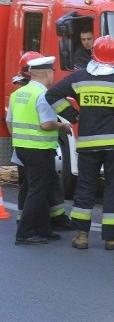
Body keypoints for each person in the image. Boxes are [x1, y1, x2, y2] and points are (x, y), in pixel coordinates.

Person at [45, 36, 114, 251]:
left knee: (85, 186)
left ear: (94, 55)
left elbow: (52, 94)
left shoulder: (80, 77)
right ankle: (112, 238)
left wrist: (73, 116)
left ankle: (82, 236)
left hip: (88, 143)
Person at [7, 55, 74, 245]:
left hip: (22, 148)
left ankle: (44, 230)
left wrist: (19, 139)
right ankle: (25, 233)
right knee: (37, 191)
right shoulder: (43, 95)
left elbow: (9, 120)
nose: (53, 75)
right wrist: (62, 126)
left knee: (37, 188)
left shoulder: (18, 93)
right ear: (46, 73)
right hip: (39, 149)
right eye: (52, 71)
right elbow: (46, 125)